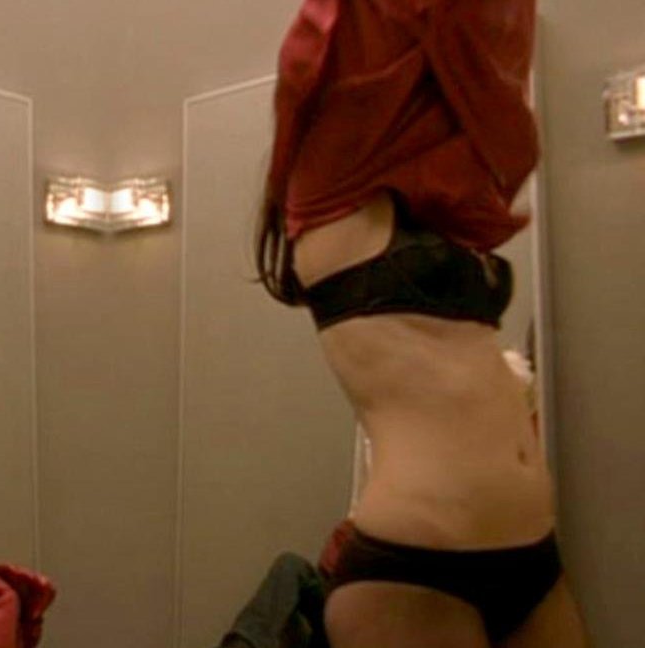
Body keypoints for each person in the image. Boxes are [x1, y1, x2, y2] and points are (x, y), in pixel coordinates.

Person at [255, 1, 589, 646]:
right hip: (417, 564)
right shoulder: (328, 203)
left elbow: (483, 49)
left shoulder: (446, 210)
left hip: (534, 553)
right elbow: (362, 32)